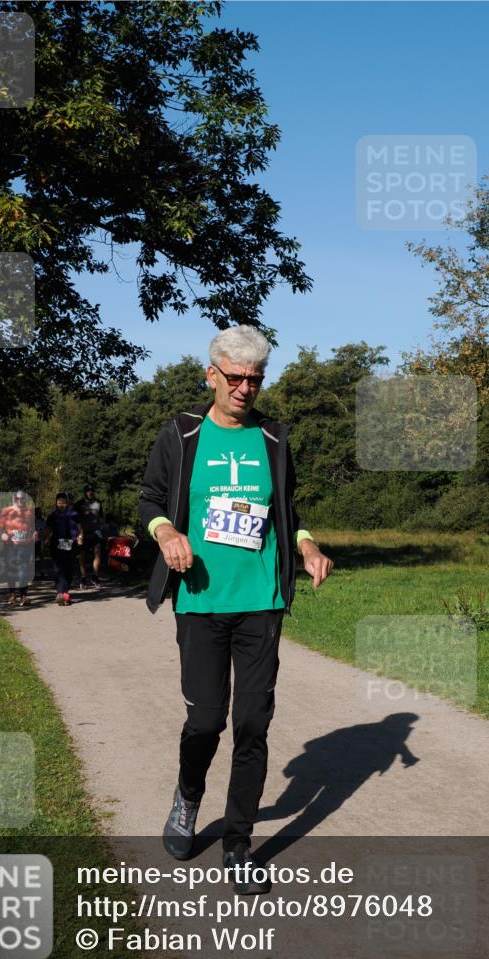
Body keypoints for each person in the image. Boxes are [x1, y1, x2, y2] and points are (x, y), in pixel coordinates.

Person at [139, 325, 333, 895]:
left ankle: (239, 842)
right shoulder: (182, 434)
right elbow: (150, 498)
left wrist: (308, 544)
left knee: (253, 724)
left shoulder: (274, 438)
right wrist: (167, 529)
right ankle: (189, 796)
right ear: (212, 375)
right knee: (205, 720)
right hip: (200, 600)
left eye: (256, 378)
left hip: (260, 604)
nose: (246, 388)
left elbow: (289, 509)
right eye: (236, 377)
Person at [0, 490, 37, 606]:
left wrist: (35, 533)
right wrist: (2, 533)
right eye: (17, 498)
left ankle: (24, 596)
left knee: (23, 569)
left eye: (22, 498)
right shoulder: (6, 510)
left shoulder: (29, 512)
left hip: (25, 544)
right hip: (10, 545)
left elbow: (33, 527)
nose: (20, 501)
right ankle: (12, 595)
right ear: (14, 499)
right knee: (11, 569)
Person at [44, 493, 82, 606]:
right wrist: (45, 540)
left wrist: (80, 538)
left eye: (63, 502)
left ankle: (65, 592)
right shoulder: (52, 516)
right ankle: (60, 593)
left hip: (70, 543)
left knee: (68, 569)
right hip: (56, 544)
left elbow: (80, 528)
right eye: (59, 502)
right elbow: (48, 529)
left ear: (67, 502)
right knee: (58, 569)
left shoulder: (74, 514)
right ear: (56, 503)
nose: (61, 505)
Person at [76, 484, 104, 589]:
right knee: (83, 556)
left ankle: (95, 576)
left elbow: (101, 516)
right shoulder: (79, 504)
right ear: (85, 492)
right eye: (88, 491)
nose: (90, 492)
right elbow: (74, 517)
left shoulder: (98, 503)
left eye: (92, 490)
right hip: (83, 532)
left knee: (97, 553)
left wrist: (102, 523)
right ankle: (83, 578)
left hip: (95, 531)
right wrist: (83, 514)